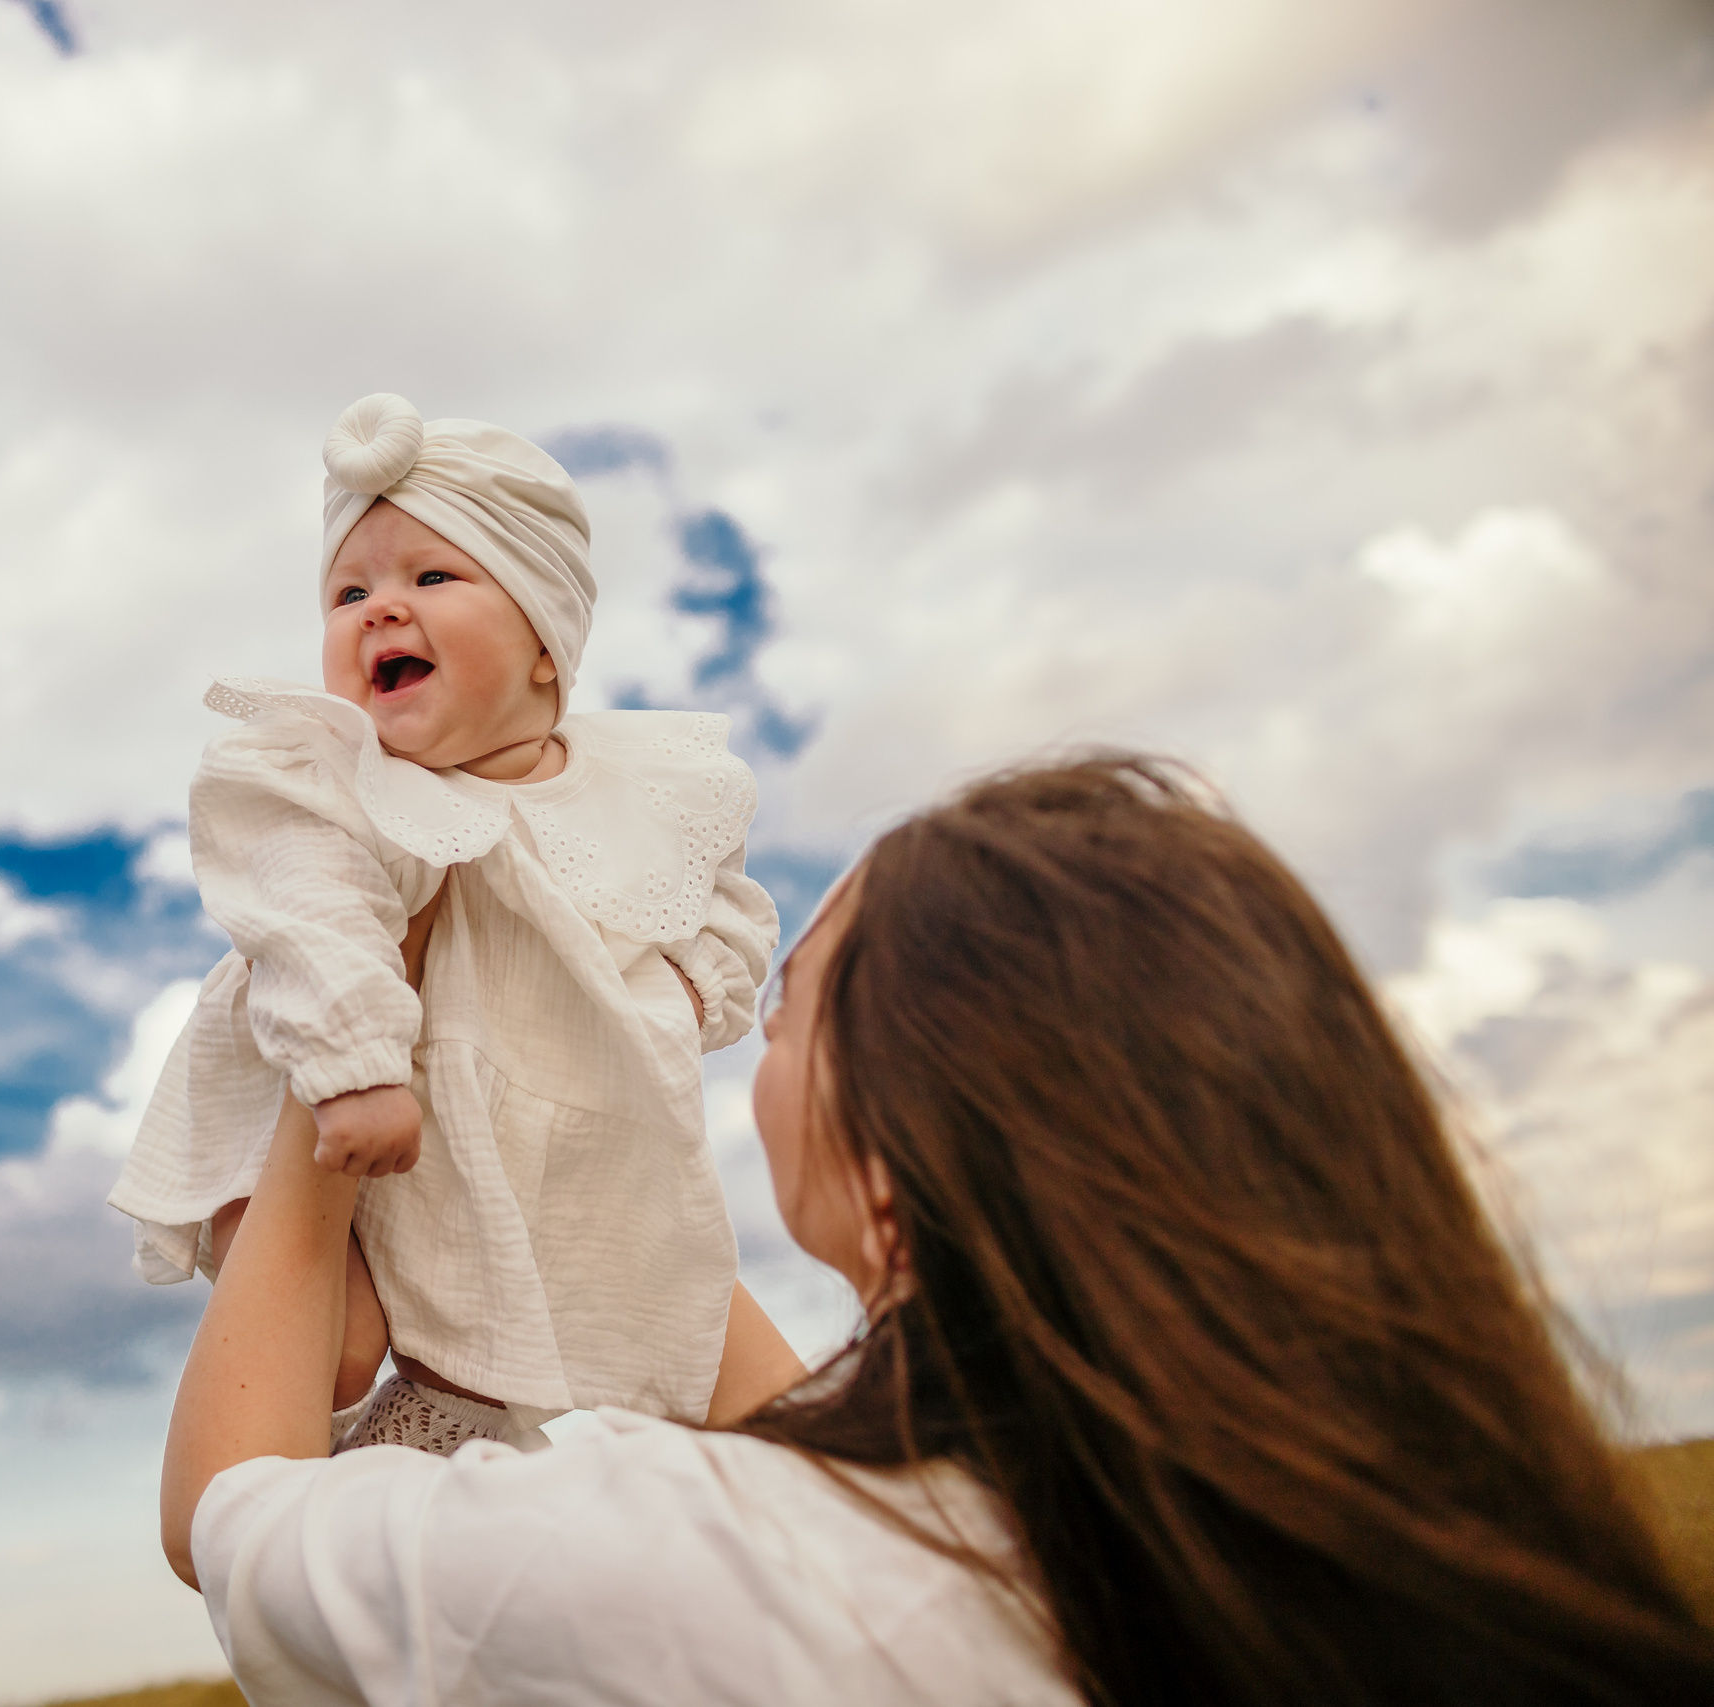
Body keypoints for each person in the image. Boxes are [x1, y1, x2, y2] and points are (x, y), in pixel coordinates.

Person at [158, 754, 1714, 1706]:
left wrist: (350, 1047)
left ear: (892, 1166)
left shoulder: (671, 1564)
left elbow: (235, 1517)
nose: (742, 1059)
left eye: (783, 1018)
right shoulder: (1411, 1532)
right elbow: (812, 1431)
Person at [111, 393, 789, 1450]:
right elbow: (307, 911)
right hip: (323, 1082)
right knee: (342, 1339)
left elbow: (726, 903)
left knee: (651, 1313)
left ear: (544, 648)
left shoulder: (645, 786)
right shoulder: (337, 778)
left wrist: (686, 994)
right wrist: (353, 1066)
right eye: (348, 591)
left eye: (430, 576)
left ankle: (471, 1436)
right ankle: (309, 1461)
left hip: (522, 1113)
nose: (378, 608)